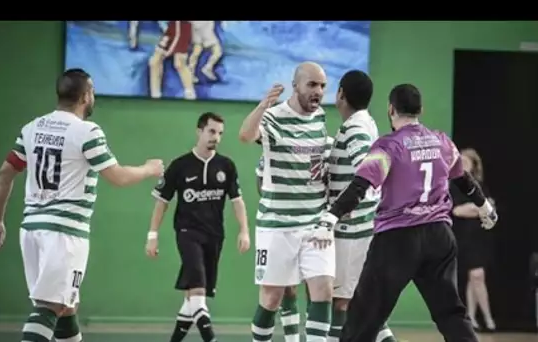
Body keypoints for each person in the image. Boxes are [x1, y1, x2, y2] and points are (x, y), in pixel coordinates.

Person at [310, 83, 498, 342]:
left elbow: (359, 186)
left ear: (391, 109)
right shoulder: (442, 141)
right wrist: (484, 206)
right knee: (451, 314)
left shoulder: (388, 146)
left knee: (364, 316)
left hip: (397, 239)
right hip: (439, 237)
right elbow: (463, 179)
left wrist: (329, 217)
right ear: (420, 110)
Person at [0, 68, 164, 342]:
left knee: (66, 306)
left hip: (31, 230)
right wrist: (148, 168)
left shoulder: (32, 128)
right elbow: (118, 177)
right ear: (86, 96)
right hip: (64, 233)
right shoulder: (86, 132)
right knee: (51, 307)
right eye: (93, 91)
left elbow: (5, 174)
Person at [239, 61, 334, 342]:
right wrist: (263, 105)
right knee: (271, 298)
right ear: (296, 86)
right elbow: (245, 135)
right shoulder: (274, 117)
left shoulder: (320, 118)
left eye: (323, 86)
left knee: (323, 291)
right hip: (277, 225)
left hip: (315, 223)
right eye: (312, 85)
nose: (318, 91)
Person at [146, 112, 250, 342]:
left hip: (215, 236)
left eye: (220, 133)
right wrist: (152, 235)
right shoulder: (180, 166)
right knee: (199, 293)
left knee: (191, 300)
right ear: (199, 131)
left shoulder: (226, 166)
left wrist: (244, 230)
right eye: (212, 131)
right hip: (187, 233)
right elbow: (162, 201)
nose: (217, 137)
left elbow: (237, 201)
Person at [326, 70, 396, 342]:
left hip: (353, 230)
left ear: (340, 93)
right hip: (362, 225)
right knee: (366, 307)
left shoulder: (355, 129)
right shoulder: (364, 122)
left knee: (341, 303)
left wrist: (341, 210)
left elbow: (365, 173)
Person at [450, 148, 496, 331]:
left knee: (475, 277)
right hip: (463, 236)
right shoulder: (454, 186)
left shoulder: (480, 186)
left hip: (480, 236)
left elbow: (490, 208)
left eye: (467, 162)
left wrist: (475, 208)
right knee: (476, 276)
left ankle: (473, 317)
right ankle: (488, 318)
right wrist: (477, 208)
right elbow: (457, 210)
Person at [148, 21, 196, 100]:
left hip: (182, 26)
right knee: (154, 62)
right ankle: (155, 95)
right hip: (172, 27)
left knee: (179, 63)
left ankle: (190, 94)